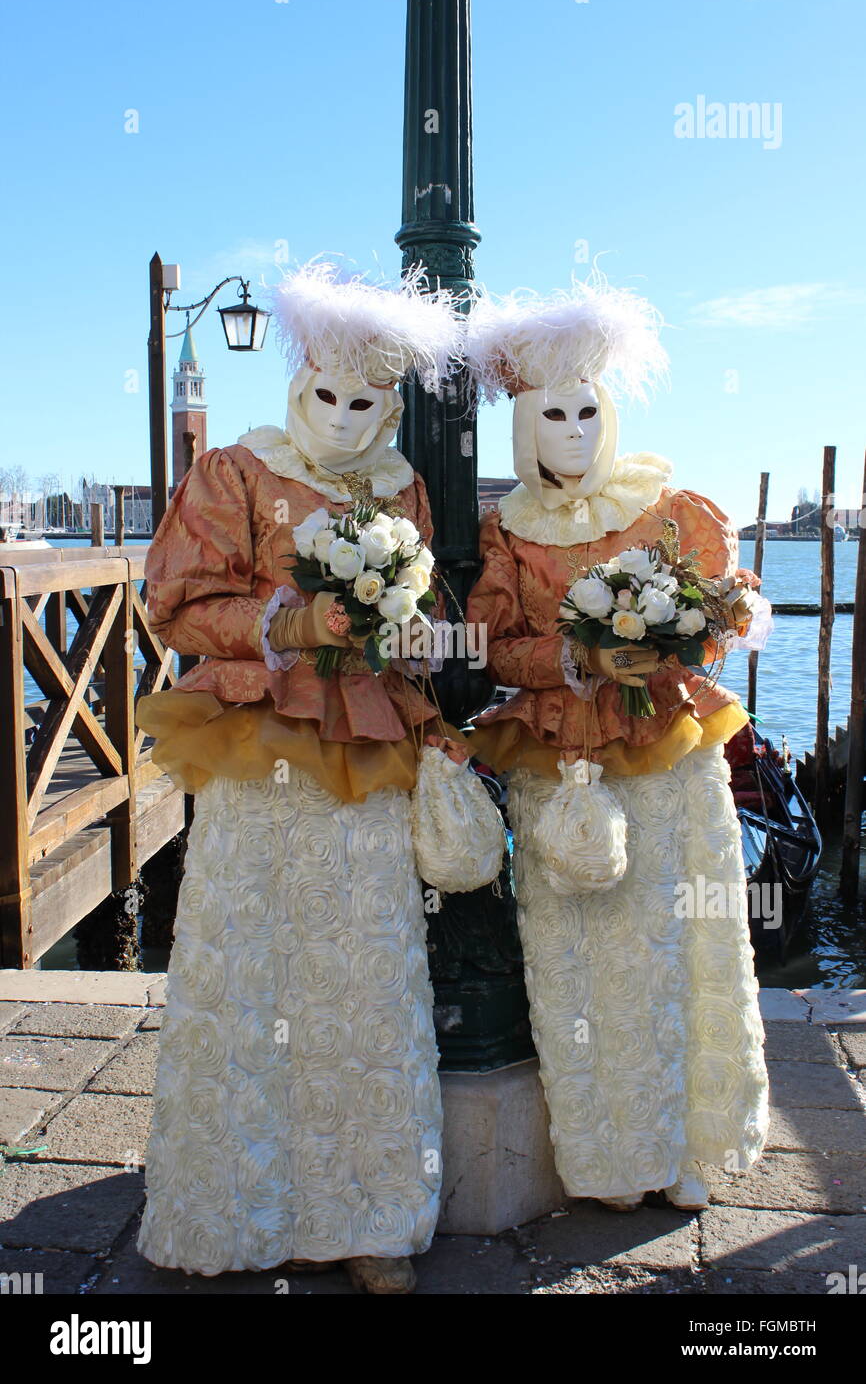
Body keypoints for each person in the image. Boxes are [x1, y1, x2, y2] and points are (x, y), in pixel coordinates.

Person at [135, 263, 462, 1291]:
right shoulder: (235, 472)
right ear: (297, 382)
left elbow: (420, 614)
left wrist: (409, 640)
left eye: (365, 402)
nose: (342, 416)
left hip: (368, 753)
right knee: (252, 965)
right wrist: (288, 622)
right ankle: (233, 1206)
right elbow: (175, 606)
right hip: (256, 750)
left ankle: (370, 1215)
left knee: (365, 975)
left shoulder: (403, 488)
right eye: (327, 393)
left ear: (390, 406)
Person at [465, 281, 770, 1211]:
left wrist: (679, 640)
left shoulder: (670, 507)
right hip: (563, 764)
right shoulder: (507, 531)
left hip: (670, 756)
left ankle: (691, 1146)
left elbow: (727, 614)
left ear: (611, 411)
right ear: (524, 424)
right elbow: (490, 645)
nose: (571, 431)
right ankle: (612, 1161)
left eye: (586, 411)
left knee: (684, 943)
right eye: (551, 415)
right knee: (584, 961)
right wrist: (578, 657)